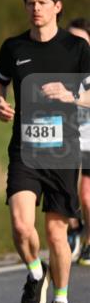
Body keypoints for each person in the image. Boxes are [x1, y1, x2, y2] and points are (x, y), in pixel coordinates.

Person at [0, 0, 89, 303]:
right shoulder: (13, 47)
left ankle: (61, 301)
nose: (36, 8)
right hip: (24, 149)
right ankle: (36, 272)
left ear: (57, 7)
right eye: (31, 2)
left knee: (56, 234)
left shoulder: (76, 49)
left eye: (43, 3)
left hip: (63, 151)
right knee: (20, 225)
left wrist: (73, 96)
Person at [69, 18, 90, 266]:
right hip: (67, 139)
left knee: (86, 195)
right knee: (63, 191)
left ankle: (87, 239)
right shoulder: (60, 68)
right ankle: (74, 228)